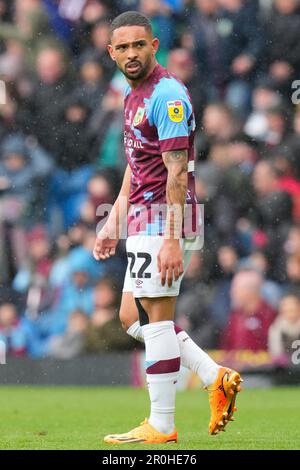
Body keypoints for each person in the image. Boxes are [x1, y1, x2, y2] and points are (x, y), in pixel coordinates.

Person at [93, 11, 242, 445]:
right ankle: (216, 376)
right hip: (141, 215)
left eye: (139, 44)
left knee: (157, 322)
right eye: (122, 47)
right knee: (129, 317)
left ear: (154, 46)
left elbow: (176, 174)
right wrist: (113, 220)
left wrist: (173, 239)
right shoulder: (131, 93)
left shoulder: (169, 96)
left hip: (165, 217)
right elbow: (137, 164)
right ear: (111, 53)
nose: (131, 53)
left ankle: (162, 424)